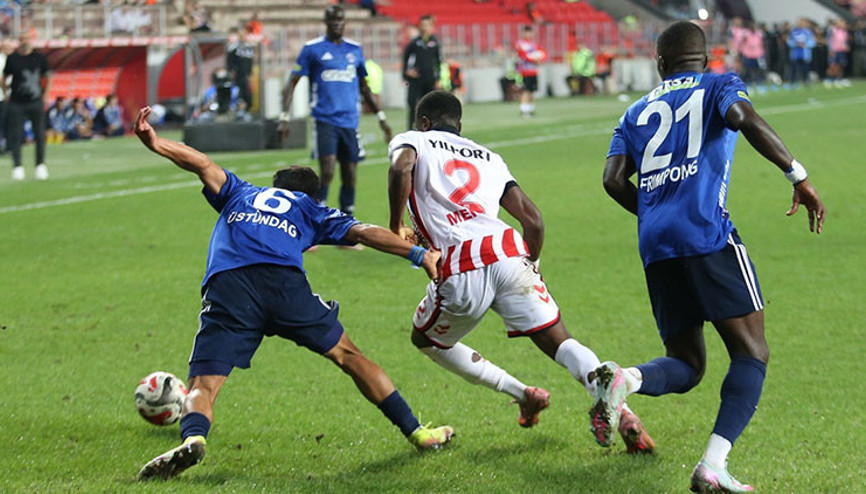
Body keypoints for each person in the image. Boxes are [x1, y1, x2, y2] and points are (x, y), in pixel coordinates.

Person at [132, 106, 453, 481]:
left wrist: (154, 142)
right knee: (349, 356)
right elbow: (365, 232)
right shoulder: (314, 211)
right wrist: (418, 253)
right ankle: (418, 433)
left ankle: (195, 439)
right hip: (284, 286)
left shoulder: (241, 192)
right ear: (312, 196)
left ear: (275, 185)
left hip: (229, 288)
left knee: (204, 384)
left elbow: (202, 163)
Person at [598, 21, 825, 493]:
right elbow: (742, 117)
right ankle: (712, 466)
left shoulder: (635, 111)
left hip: (655, 243)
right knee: (751, 351)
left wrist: (656, 209)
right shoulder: (719, 83)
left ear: (660, 64)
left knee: (687, 363)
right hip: (707, 232)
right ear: (705, 57)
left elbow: (613, 180)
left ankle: (627, 379)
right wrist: (796, 174)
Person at [387, 90, 654, 454]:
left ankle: (522, 394)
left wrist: (395, 224)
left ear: (423, 122)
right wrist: (532, 268)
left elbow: (401, 166)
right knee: (561, 342)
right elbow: (533, 220)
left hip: (461, 261)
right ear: (460, 126)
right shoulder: (489, 157)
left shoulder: (414, 139)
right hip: (510, 250)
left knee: (426, 340)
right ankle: (623, 413)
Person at [279, 5, 391, 216]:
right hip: (325, 119)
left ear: (345, 22)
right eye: (333, 21)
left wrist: (381, 117)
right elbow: (292, 82)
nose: (337, 24)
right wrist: (284, 116)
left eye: (340, 20)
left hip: (350, 121)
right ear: (326, 23)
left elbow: (363, 86)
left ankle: (346, 225)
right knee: (328, 171)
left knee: (350, 174)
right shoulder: (312, 49)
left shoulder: (354, 49)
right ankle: (315, 219)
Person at [2, 31, 49, 181]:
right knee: (15, 134)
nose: (25, 41)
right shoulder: (13, 58)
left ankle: (40, 165)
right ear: (19, 41)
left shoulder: (39, 58)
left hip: (35, 101)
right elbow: (4, 77)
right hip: (16, 101)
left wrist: (46, 95)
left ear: (32, 40)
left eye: (27, 39)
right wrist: (6, 93)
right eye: (22, 39)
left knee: (39, 134)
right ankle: (17, 167)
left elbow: (48, 76)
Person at [402, 14, 441, 130]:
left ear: (432, 27)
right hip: (415, 79)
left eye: (428, 25)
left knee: (429, 105)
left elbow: (438, 62)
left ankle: (429, 128)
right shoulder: (414, 42)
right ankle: (411, 129)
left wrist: (438, 79)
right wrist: (406, 72)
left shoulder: (435, 43)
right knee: (413, 104)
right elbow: (405, 58)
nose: (425, 28)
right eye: (423, 25)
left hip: (429, 79)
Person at [514, 25, 546, 118]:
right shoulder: (520, 43)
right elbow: (523, 55)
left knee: (532, 91)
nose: (529, 34)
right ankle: (524, 110)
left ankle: (531, 109)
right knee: (525, 91)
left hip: (533, 71)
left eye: (531, 32)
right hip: (524, 71)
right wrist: (534, 59)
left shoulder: (534, 44)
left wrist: (540, 59)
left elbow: (542, 53)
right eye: (527, 32)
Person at [227, 27, 255, 109]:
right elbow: (230, 61)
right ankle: (238, 106)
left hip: (246, 74)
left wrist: (250, 73)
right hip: (238, 74)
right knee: (238, 91)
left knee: (247, 91)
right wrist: (231, 71)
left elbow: (250, 61)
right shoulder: (234, 47)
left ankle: (247, 106)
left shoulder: (249, 47)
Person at [787, 18, 816, 86]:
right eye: (799, 22)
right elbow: (789, 41)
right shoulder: (793, 32)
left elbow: (813, 42)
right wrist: (795, 44)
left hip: (805, 54)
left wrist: (806, 45)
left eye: (802, 22)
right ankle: (793, 82)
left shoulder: (808, 32)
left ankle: (807, 81)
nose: (800, 24)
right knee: (794, 68)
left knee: (806, 68)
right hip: (795, 54)